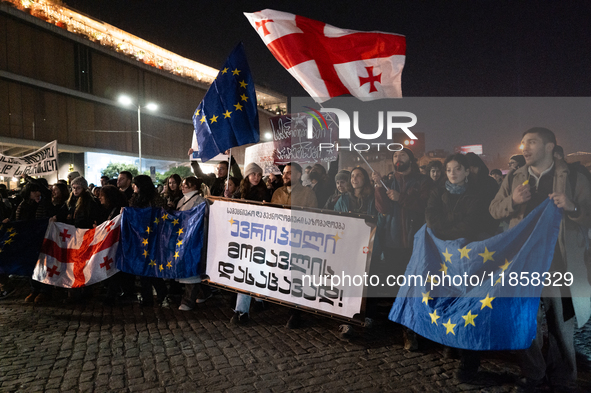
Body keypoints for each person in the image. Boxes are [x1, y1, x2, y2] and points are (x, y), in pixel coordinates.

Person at [490, 127, 591, 391]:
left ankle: (564, 377)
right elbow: (494, 209)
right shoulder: (514, 177)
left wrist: (573, 208)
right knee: (523, 323)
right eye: (523, 142)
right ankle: (535, 373)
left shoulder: (574, 175)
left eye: (532, 142)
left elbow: (588, 213)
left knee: (561, 326)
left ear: (549, 147)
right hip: (523, 264)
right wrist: (512, 201)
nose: (524, 147)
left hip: (560, 264)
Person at [372, 148, 433, 351]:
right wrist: (378, 188)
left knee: (418, 288)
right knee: (399, 287)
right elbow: (383, 209)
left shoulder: (423, 181)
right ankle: (405, 329)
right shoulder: (389, 181)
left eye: (403, 155)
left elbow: (426, 206)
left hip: (416, 243)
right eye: (395, 156)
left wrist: (402, 198)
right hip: (393, 242)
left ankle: (419, 328)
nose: (398, 158)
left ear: (411, 159)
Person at [230, 163, 271, 325]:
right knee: (245, 272)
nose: (256, 177)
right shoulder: (240, 192)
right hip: (243, 238)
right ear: (247, 176)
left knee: (255, 270)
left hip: (261, 238)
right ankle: (243, 310)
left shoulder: (266, 192)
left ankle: (254, 301)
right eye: (253, 174)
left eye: (259, 175)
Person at [128, 175, 170, 308]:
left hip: (153, 238)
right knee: (143, 268)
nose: (134, 187)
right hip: (139, 237)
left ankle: (158, 294)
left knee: (150, 267)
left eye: (136, 184)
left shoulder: (156, 199)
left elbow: (162, 215)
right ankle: (151, 296)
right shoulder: (135, 199)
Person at [176, 176, 210, 311]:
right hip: (183, 239)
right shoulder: (182, 200)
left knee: (192, 269)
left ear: (194, 186)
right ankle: (205, 292)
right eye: (183, 185)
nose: (183, 187)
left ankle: (188, 300)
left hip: (193, 240)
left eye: (186, 185)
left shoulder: (200, 201)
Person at [98, 185, 133, 304]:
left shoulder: (119, 209)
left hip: (118, 244)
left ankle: (112, 295)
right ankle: (117, 292)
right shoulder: (109, 209)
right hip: (113, 243)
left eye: (102, 196)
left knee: (115, 269)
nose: (99, 198)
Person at [465, 152, 500, 235]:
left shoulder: (490, 182)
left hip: (488, 226)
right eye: (469, 168)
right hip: (467, 228)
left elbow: (496, 203)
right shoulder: (462, 183)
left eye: (474, 167)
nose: (472, 171)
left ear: (479, 167)